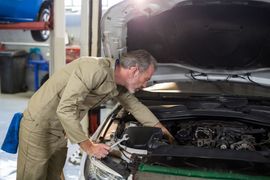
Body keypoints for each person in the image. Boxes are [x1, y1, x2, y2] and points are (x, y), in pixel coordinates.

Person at [17, 49, 174, 180]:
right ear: (134, 71)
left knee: (54, 175)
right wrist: (89, 147)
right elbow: (65, 109)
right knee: (33, 176)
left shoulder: (118, 85)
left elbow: (134, 106)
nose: (145, 85)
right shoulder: (93, 69)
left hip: (60, 129)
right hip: (38, 126)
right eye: (146, 79)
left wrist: (160, 129)